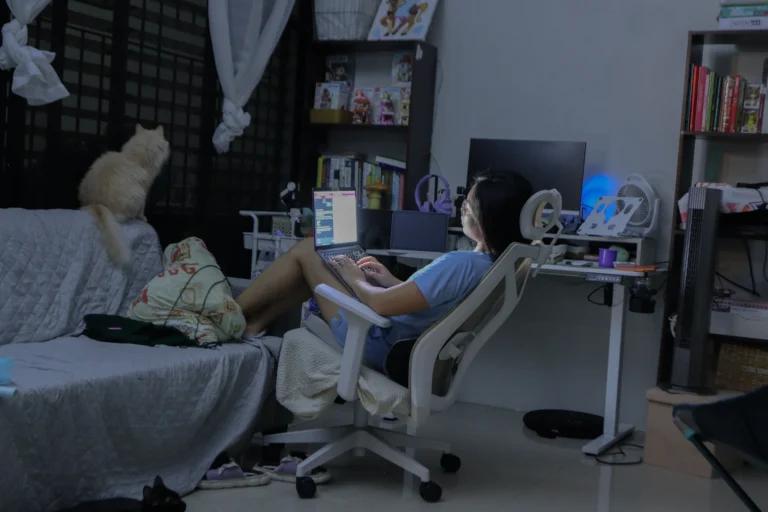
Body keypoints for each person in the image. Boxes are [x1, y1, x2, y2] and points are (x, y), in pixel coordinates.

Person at [236, 171, 533, 371]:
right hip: (394, 337)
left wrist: (355, 278)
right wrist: (389, 280)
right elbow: (431, 304)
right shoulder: (489, 266)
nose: (462, 208)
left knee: (307, 250)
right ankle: (253, 325)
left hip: (373, 338)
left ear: (487, 217)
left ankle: (228, 314)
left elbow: (379, 305)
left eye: (467, 204)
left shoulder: (461, 263)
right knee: (323, 263)